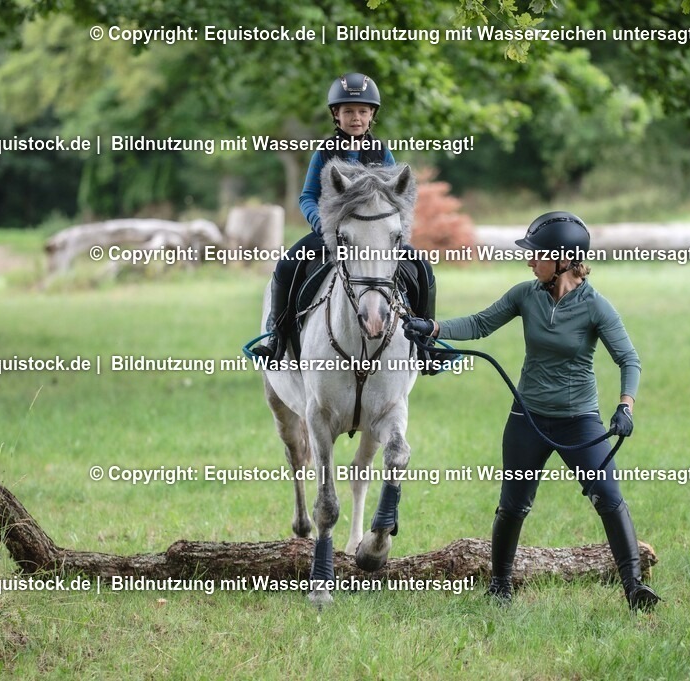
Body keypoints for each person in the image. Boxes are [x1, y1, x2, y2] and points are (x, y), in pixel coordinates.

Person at [403, 211, 660, 611]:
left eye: (537, 254)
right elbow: (480, 323)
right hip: (527, 418)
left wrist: (625, 406)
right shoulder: (525, 294)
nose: (529, 260)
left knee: (608, 496)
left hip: (579, 423)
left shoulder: (596, 307)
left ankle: (633, 587)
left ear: (564, 259)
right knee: (513, 504)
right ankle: (500, 586)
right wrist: (431, 328)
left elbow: (629, 359)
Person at [253, 73, 436, 362]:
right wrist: (324, 225)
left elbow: (394, 197)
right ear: (336, 115)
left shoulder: (381, 152)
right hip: (332, 233)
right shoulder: (325, 152)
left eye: (363, 111)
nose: (356, 118)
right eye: (348, 111)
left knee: (422, 268)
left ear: (372, 115)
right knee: (288, 265)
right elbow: (307, 197)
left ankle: (426, 343)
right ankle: (277, 337)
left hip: (374, 236)